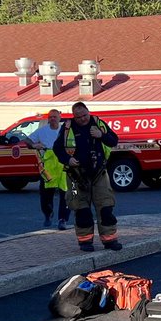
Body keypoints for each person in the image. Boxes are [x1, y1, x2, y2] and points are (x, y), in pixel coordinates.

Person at [52, 101, 121, 252]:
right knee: (81, 209)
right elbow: (57, 148)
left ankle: (110, 240)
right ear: (73, 116)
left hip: (99, 175)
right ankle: (85, 242)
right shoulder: (67, 128)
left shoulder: (98, 123)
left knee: (106, 208)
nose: (83, 119)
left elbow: (114, 141)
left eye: (84, 115)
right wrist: (67, 159)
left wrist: (101, 135)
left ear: (88, 112)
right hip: (75, 177)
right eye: (79, 117)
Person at [29, 109, 71, 230]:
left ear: (59, 117)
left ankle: (62, 219)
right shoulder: (42, 131)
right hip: (48, 167)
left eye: (54, 116)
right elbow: (27, 140)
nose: (52, 118)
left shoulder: (65, 131)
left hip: (63, 165)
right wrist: (33, 145)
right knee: (45, 194)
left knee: (66, 193)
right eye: (50, 117)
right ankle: (48, 214)